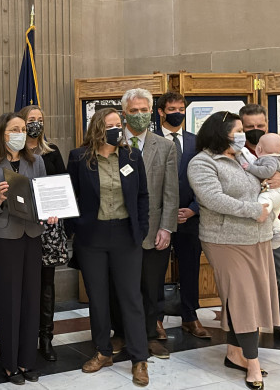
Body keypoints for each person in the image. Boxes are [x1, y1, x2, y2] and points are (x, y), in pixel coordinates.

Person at [188, 111, 280, 390]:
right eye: (237, 130)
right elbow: (214, 200)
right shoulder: (202, 162)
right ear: (220, 132)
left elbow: (269, 175)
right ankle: (252, 362)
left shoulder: (242, 156)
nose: (243, 135)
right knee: (243, 299)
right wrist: (254, 211)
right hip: (225, 240)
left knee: (245, 297)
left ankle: (233, 354)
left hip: (258, 238)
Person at [66, 108, 150, 386]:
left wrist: (141, 230)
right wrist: (74, 228)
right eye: (111, 125)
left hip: (126, 236)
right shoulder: (80, 157)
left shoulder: (132, 156)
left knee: (131, 297)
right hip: (93, 236)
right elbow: (71, 195)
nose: (117, 129)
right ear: (98, 128)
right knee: (98, 298)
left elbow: (142, 196)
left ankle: (139, 359)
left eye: (119, 124)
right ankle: (103, 352)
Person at [0, 112, 57, 384]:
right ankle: (10, 364)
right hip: (4, 239)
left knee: (31, 299)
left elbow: (45, 197)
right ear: (3, 134)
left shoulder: (35, 163)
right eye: (15, 129)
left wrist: (51, 212)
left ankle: (27, 361)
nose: (21, 133)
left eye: (23, 129)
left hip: (32, 235)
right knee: (10, 302)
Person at [110, 88, 178, 359]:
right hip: (118, 229)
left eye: (143, 110)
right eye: (133, 111)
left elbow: (171, 192)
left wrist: (167, 227)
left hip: (153, 229)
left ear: (151, 112)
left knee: (151, 286)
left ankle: (150, 334)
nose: (138, 115)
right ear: (123, 113)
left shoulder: (165, 147)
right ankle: (121, 334)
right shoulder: (111, 142)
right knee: (119, 285)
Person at [238, 103, 280, 347]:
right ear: (241, 127)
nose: (255, 130)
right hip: (246, 225)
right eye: (250, 127)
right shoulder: (235, 153)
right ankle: (246, 328)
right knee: (245, 284)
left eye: (260, 126)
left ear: (268, 125)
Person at [155, 92, 210, 339]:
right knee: (155, 269)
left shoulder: (197, 142)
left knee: (190, 268)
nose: (177, 112)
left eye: (181, 108)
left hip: (190, 216)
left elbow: (207, 178)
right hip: (158, 219)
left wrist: (194, 209)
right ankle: (156, 318)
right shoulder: (151, 140)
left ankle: (190, 317)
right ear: (161, 112)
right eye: (172, 108)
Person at [18, 105, 67, 362]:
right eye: (30, 119)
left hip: (49, 226)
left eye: (40, 119)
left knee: (47, 284)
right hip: (22, 226)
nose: (36, 123)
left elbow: (63, 185)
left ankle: (45, 338)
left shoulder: (52, 152)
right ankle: (24, 335)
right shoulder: (14, 153)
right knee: (25, 283)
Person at [238, 133, 280, 248]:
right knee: (274, 215)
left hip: (272, 193)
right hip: (275, 195)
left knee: (263, 205)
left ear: (259, 148)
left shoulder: (269, 159)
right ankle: (278, 231)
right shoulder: (272, 158)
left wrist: (249, 168)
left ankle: (260, 218)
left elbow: (268, 172)